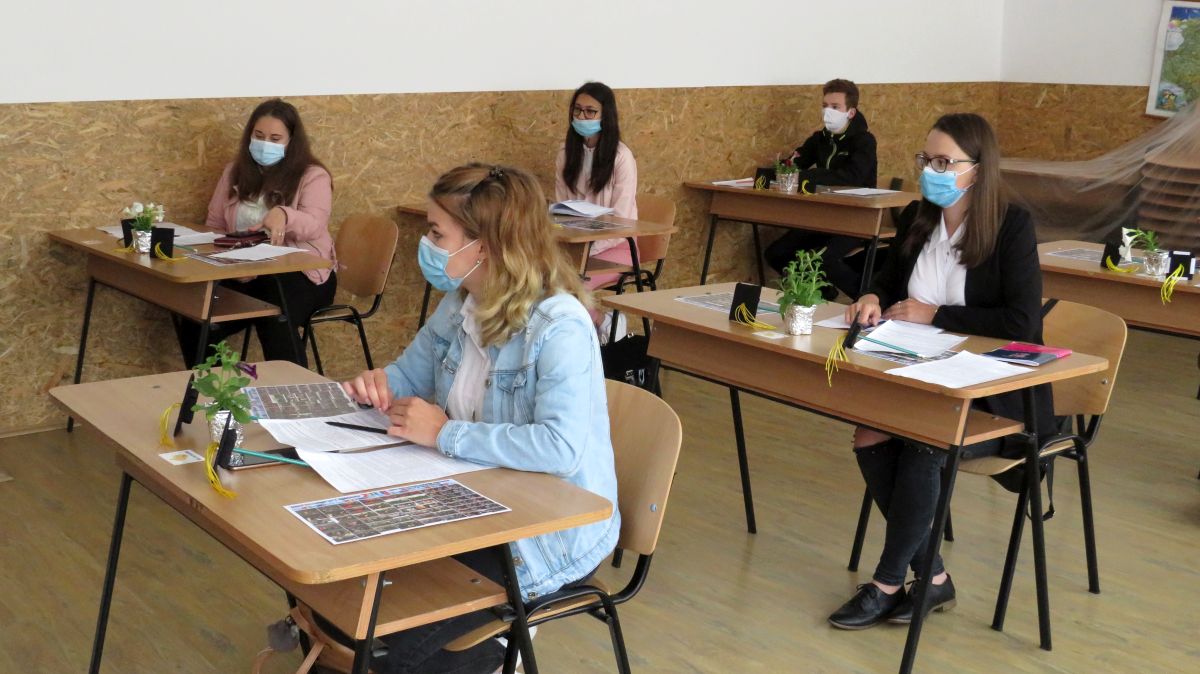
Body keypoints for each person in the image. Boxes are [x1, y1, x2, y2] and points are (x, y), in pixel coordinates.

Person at [341, 163, 621, 672]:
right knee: (345, 602)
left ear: (485, 246)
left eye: (436, 234)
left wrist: (444, 433)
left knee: (386, 643)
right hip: (471, 501)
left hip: (544, 534)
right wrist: (376, 385)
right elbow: (408, 376)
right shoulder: (461, 302)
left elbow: (560, 449)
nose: (426, 244)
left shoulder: (559, 326)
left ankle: (498, 652)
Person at [829, 113, 1054, 630]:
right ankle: (932, 577)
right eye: (926, 159)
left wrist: (935, 315)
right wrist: (871, 296)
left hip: (994, 390)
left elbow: (1022, 322)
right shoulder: (919, 217)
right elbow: (888, 281)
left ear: (978, 168)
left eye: (944, 162)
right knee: (869, 433)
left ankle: (888, 583)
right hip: (920, 373)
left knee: (924, 440)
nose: (932, 170)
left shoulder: (1011, 226)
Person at [175, 98, 336, 368]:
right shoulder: (234, 172)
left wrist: (284, 215)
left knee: (273, 312)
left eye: (275, 138)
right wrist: (229, 265)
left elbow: (315, 224)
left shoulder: (313, 175)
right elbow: (215, 225)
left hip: (302, 275)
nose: (265, 144)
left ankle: (294, 389)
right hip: (242, 270)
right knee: (196, 316)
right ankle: (219, 389)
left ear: (292, 141)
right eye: (259, 136)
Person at [764, 78, 878, 299]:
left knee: (820, 260)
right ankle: (823, 293)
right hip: (823, 216)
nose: (828, 112)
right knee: (777, 253)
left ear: (851, 112)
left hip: (857, 219)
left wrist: (811, 176)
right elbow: (794, 165)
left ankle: (869, 300)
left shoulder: (864, 141)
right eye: (825, 106)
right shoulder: (819, 139)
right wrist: (781, 170)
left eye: (835, 107)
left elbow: (852, 177)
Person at [555, 81, 638, 291]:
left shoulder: (621, 157)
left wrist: (587, 249)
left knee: (573, 286)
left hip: (616, 247)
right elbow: (561, 209)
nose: (581, 117)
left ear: (605, 116)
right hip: (575, 245)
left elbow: (622, 221)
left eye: (590, 111)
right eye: (577, 110)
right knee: (537, 281)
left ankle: (595, 313)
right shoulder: (565, 153)